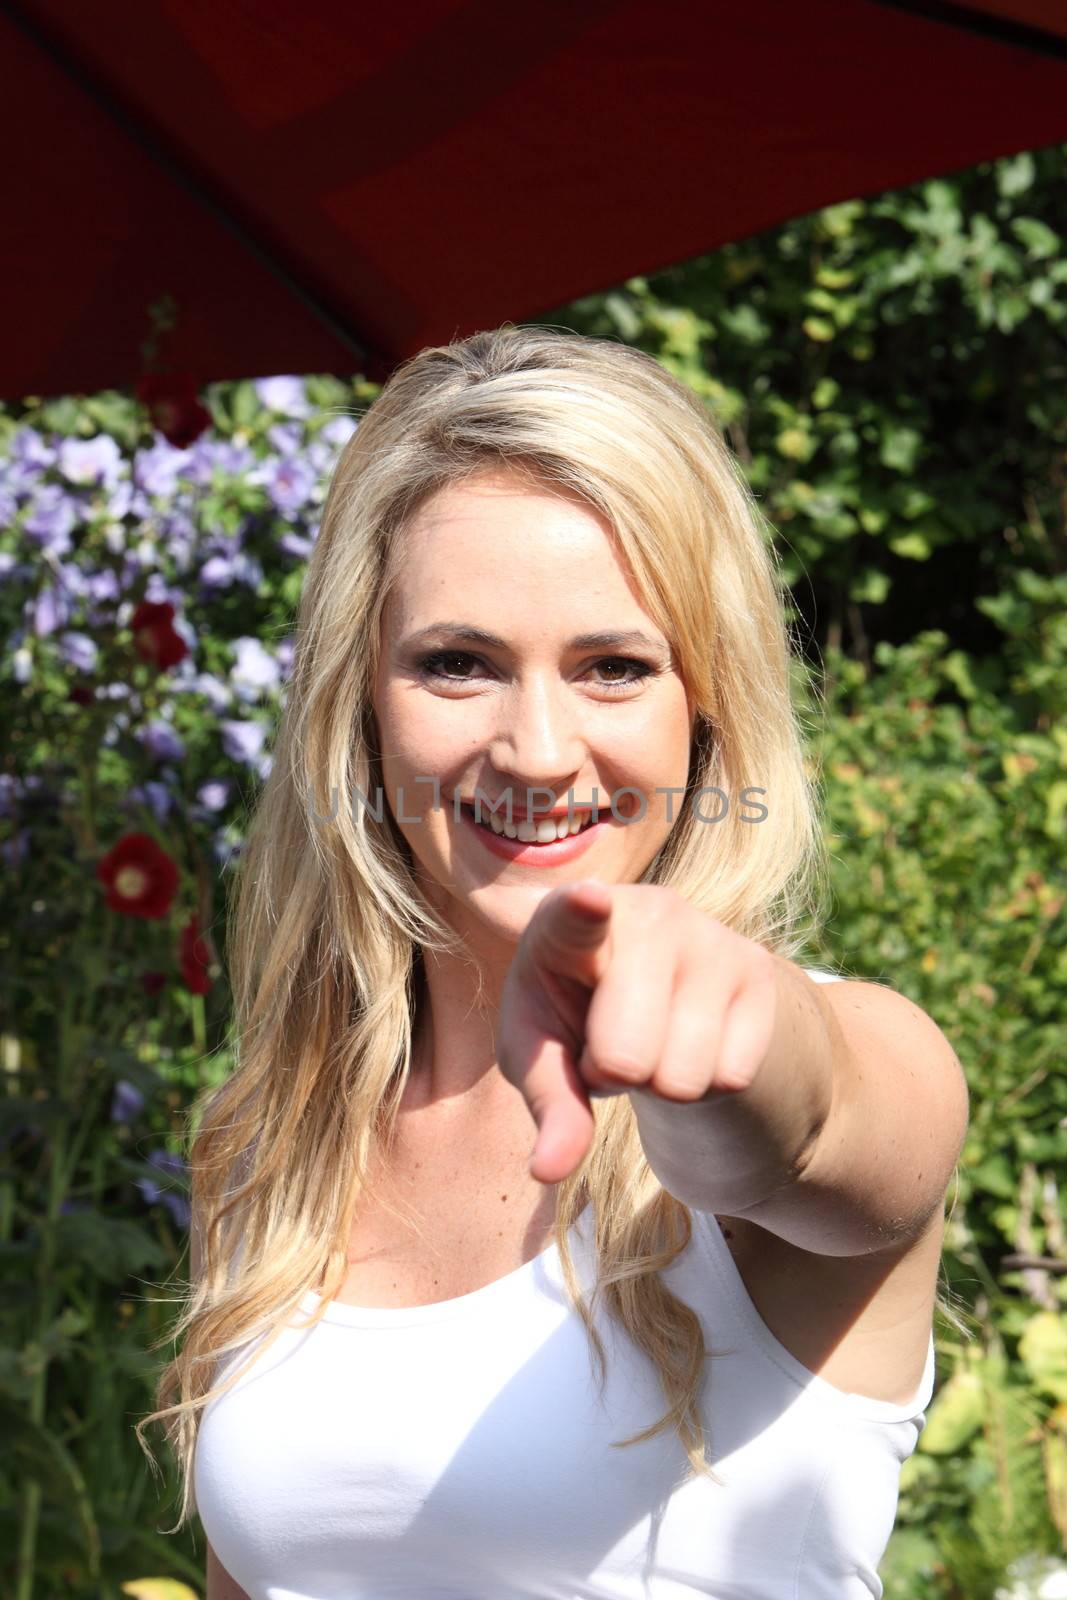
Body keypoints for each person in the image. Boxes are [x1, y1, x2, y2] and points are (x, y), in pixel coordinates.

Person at [138, 325, 969, 1599]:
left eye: (613, 668)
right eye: (456, 663)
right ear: (360, 705)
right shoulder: (266, 1138)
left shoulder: (860, 1050)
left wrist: (710, 1037)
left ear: (706, 709)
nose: (535, 748)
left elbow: (801, 1123)